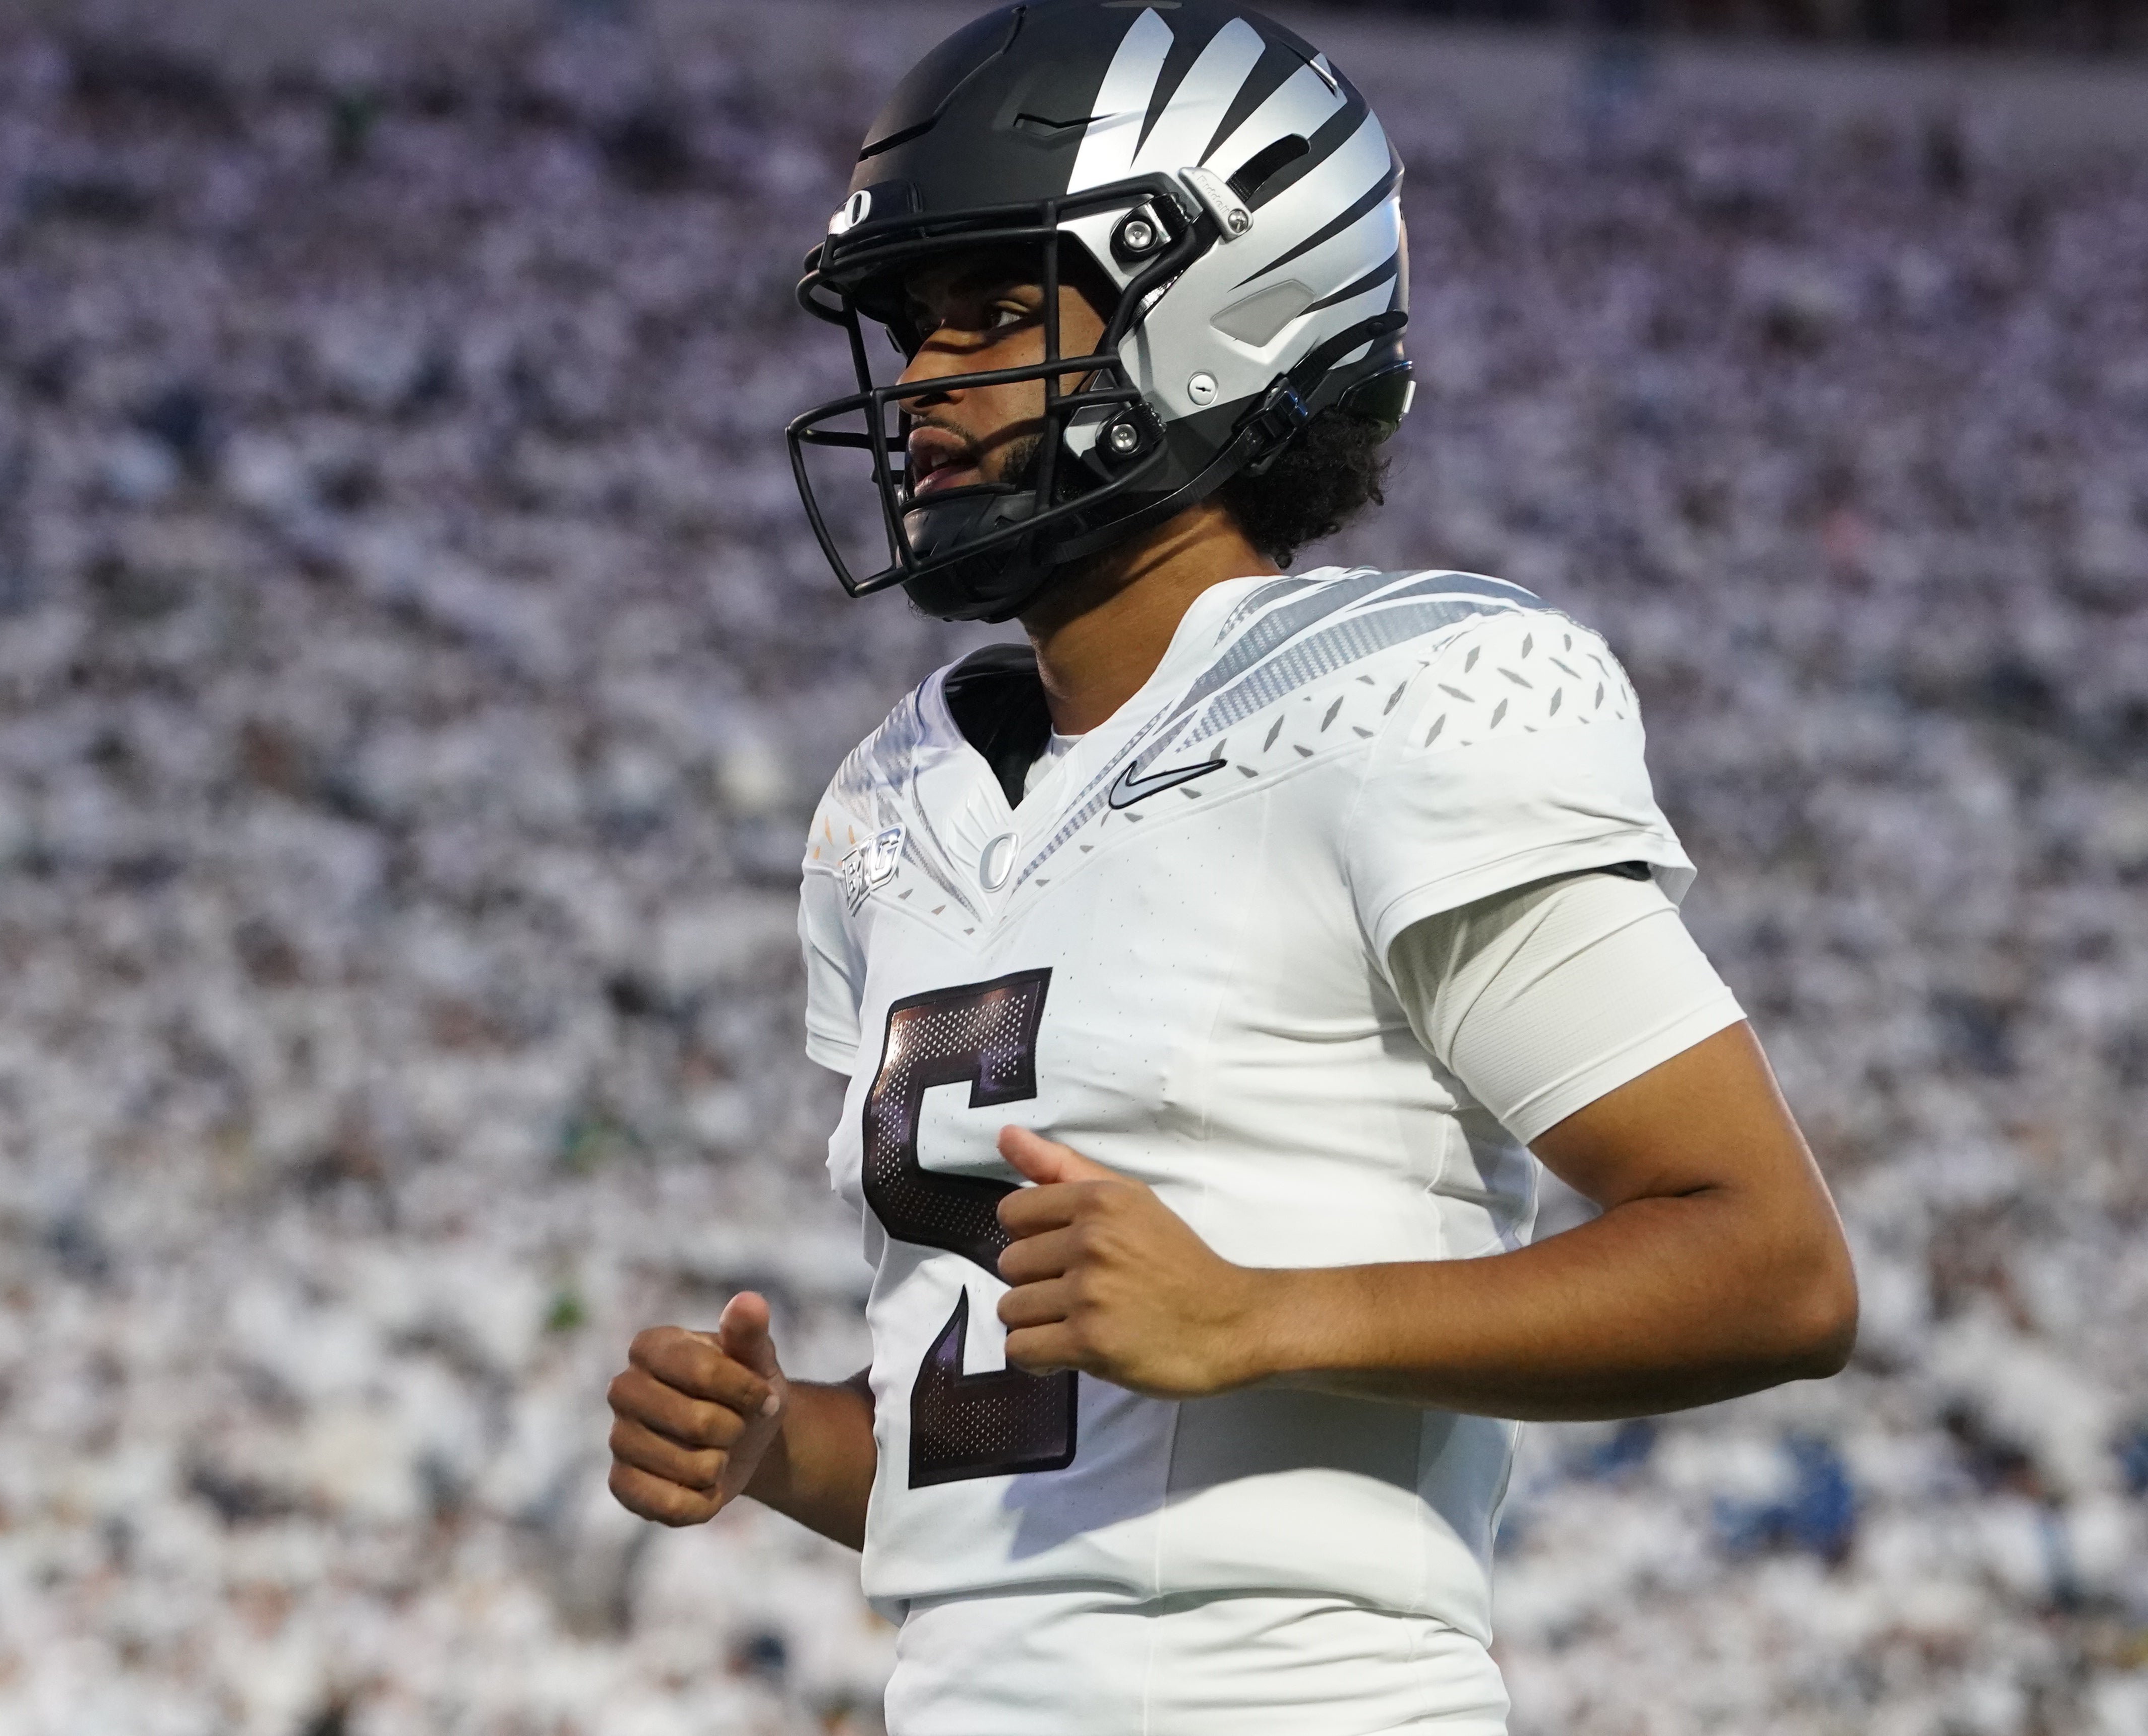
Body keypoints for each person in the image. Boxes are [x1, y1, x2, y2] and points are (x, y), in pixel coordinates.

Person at [605, 4, 1857, 1730]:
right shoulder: (895, 803)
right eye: (911, 328)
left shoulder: (1395, 699)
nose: (927, 381)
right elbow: (992, 1453)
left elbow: (1772, 1265)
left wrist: (1266, 1316)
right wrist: (775, 1445)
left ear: (1218, 309)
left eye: (991, 310)